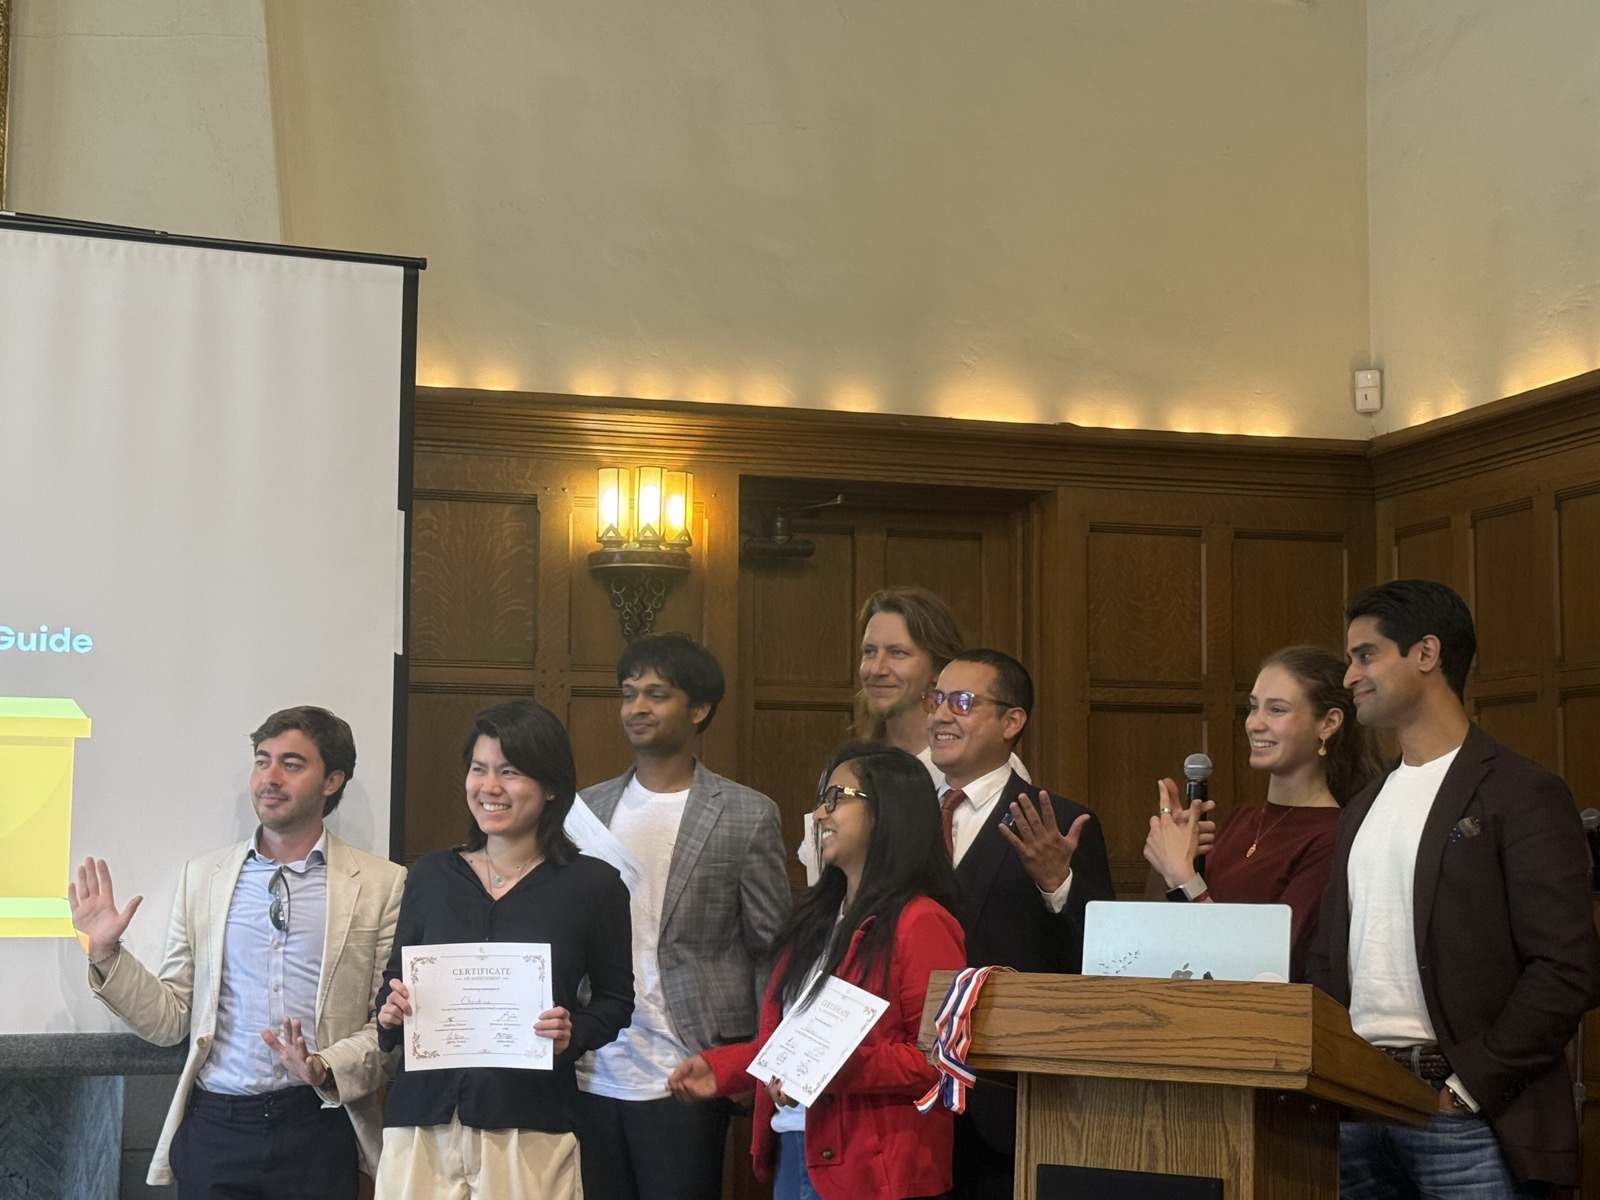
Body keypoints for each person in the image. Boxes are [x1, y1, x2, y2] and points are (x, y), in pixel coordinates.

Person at [1306, 580, 1600, 1197]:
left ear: (1426, 653)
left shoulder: (1522, 793)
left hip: (1468, 1118)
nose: (1351, 676)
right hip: (1355, 1114)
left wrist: (1463, 1089)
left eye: (1366, 655)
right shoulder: (1360, 808)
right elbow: (1330, 961)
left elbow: (1567, 967)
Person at [68, 706, 406, 1199]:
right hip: (216, 1127)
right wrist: (106, 955)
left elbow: (388, 1029)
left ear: (332, 779)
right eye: (261, 760)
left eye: (291, 764)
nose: (269, 778)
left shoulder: (381, 884)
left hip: (315, 1125)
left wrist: (324, 1066)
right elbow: (172, 1020)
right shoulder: (204, 876)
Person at [666, 741, 965, 1200]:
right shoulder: (816, 920)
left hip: (877, 1169)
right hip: (798, 1148)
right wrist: (725, 1069)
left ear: (888, 810)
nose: (819, 815)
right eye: (820, 801)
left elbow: (936, 1060)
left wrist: (830, 1066)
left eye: (836, 798)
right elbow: (796, 1044)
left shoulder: (922, 921)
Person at [373, 698, 633, 1200]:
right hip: (422, 1121)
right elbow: (393, 982)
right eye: (478, 769)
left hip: (530, 1122)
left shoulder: (593, 886)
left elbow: (616, 1002)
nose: (489, 787)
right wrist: (391, 1010)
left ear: (551, 784)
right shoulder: (428, 877)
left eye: (510, 772)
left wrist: (573, 1032)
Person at [572, 632, 790, 1200]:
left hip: (687, 1066)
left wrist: (758, 1062)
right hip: (590, 1063)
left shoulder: (746, 813)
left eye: (656, 694)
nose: (637, 708)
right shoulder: (585, 809)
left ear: (699, 708)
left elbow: (772, 948)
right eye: (628, 693)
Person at [927, 647, 1115, 1199]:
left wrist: (1058, 882)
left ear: (1012, 722)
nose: (941, 714)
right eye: (936, 699)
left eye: (961, 702)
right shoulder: (907, 818)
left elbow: (1097, 959)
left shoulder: (1058, 820)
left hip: (1004, 1103)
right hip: (913, 1096)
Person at [1143, 645, 1385, 980]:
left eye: (1277, 710)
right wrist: (1169, 856)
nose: (1255, 724)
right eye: (1253, 707)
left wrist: (1183, 877)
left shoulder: (1332, 837)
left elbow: (1271, 967)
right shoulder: (1242, 819)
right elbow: (1160, 939)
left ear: (1328, 723)